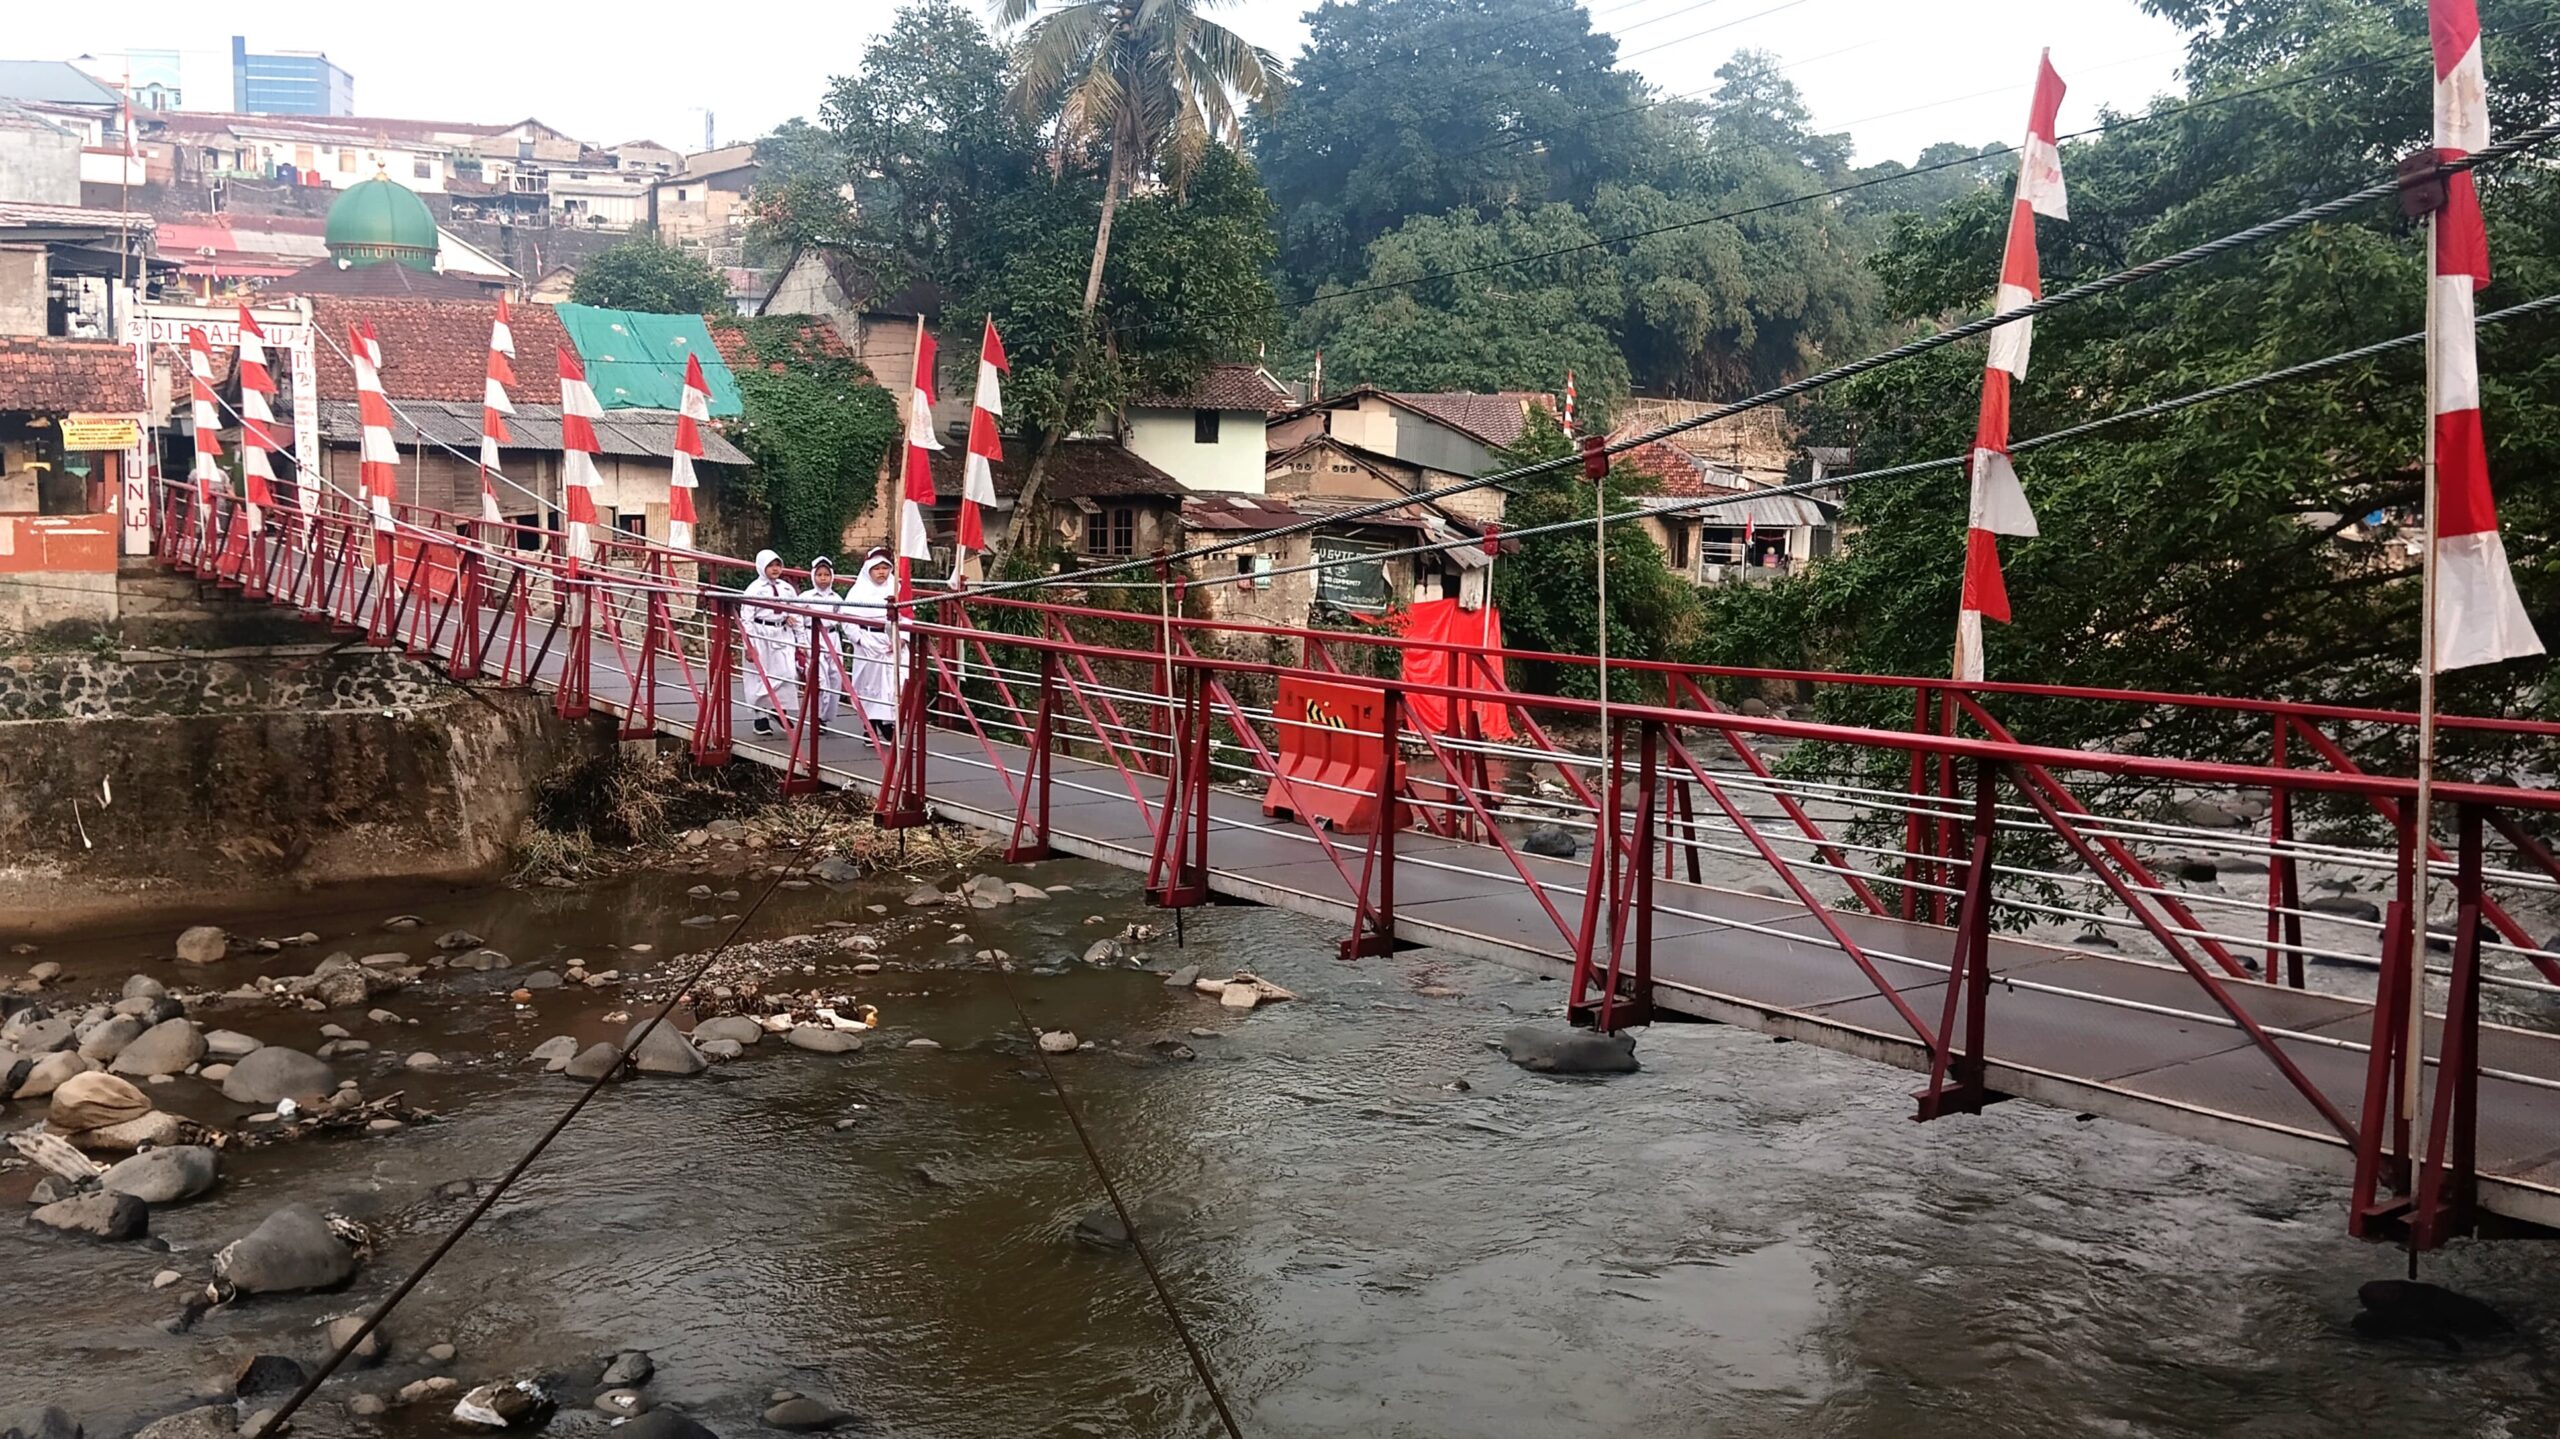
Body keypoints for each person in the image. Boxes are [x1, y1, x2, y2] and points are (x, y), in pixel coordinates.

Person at [843, 547, 906, 740]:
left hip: (891, 641)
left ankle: (888, 723)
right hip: (868, 641)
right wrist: (860, 639)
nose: (881, 572)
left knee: (894, 684)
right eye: (877, 568)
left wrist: (902, 638)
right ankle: (869, 724)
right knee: (869, 684)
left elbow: (907, 616)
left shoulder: (896, 588)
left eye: (885, 568)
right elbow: (847, 619)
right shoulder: (858, 591)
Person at [740, 549, 801, 736]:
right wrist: (749, 644)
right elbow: (746, 617)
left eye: (777, 565)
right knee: (761, 676)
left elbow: (796, 610)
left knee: (787, 673)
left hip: (781, 632)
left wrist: (800, 637)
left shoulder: (786, 588)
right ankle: (760, 717)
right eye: (770, 565)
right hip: (760, 633)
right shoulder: (754, 589)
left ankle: (778, 709)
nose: (775, 569)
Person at [798, 556, 846, 726]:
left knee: (835, 677)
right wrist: (801, 642)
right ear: (813, 576)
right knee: (820, 678)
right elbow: (797, 620)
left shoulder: (837, 598)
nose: (823, 578)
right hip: (813, 637)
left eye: (826, 574)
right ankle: (816, 715)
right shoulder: (805, 597)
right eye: (819, 575)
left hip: (833, 638)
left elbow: (845, 619)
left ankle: (825, 716)